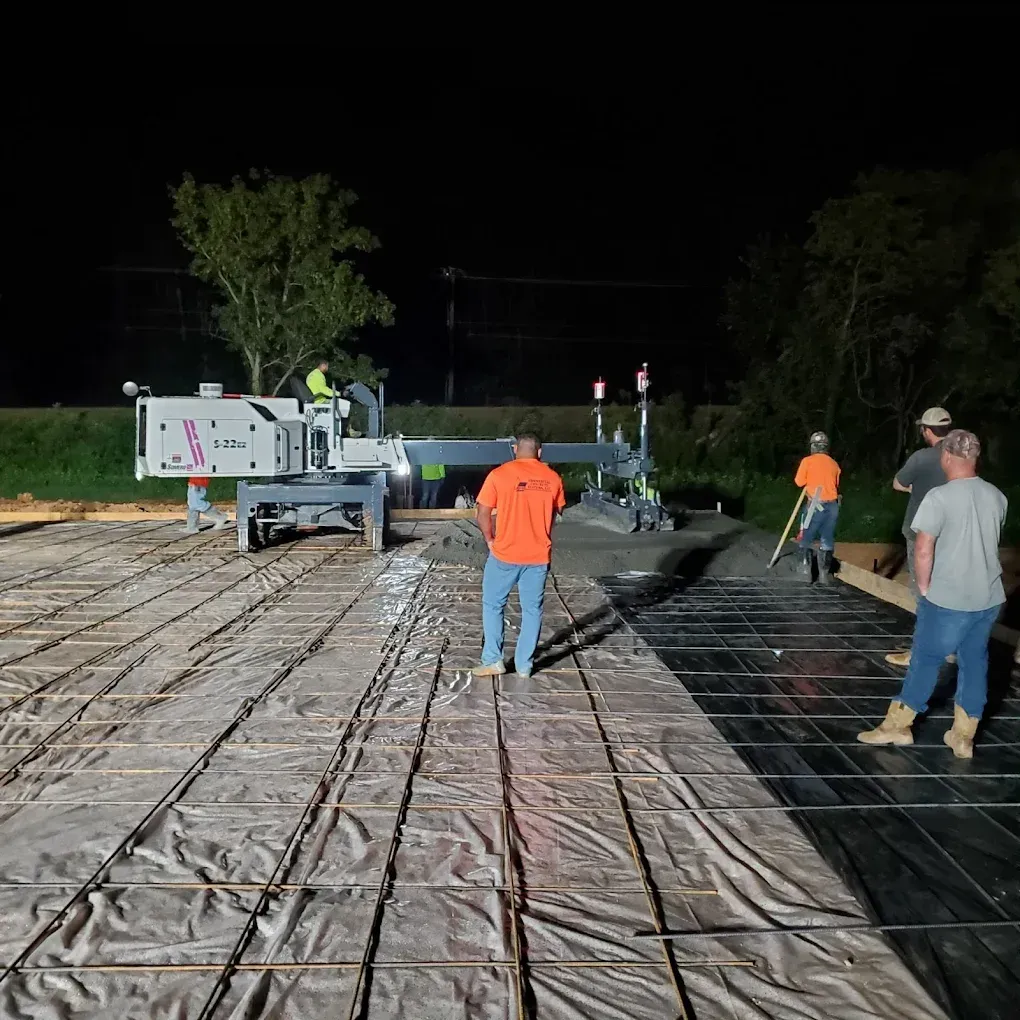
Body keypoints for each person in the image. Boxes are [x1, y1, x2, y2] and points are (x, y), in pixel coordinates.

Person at [857, 430, 1007, 759]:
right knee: (974, 662)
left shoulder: (939, 498)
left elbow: (924, 548)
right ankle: (963, 737)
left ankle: (897, 726)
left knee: (925, 660)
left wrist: (925, 587)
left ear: (947, 458)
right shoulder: (997, 496)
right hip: (988, 599)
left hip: (949, 599)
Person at [472, 434, 566, 679]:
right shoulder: (553, 478)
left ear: (515, 449)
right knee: (532, 610)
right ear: (540, 452)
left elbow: (482, 513)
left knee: (494, 606)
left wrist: (490, 539)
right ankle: (524, 666)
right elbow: (556, 513)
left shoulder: (499, 475)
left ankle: (493, 660)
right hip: (537, 556)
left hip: (505, 554)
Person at [885, 406, 953, 667]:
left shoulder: (921, 458)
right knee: (947, 590)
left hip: (920, 533)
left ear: (927, 431)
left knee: (923, 592)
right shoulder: (959, 457)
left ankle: (921, 652)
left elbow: (898, 483)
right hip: (951, 534)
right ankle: (948, 647)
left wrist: (917, 488)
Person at [793, 431, 841, 584]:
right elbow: (836, 485)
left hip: (814, 504)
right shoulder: (834, 464)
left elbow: (799, 482)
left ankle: (805, 572)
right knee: (826, 539)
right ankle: (824, 575)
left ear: (813, 446)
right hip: (831, 505)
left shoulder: (807, 461)